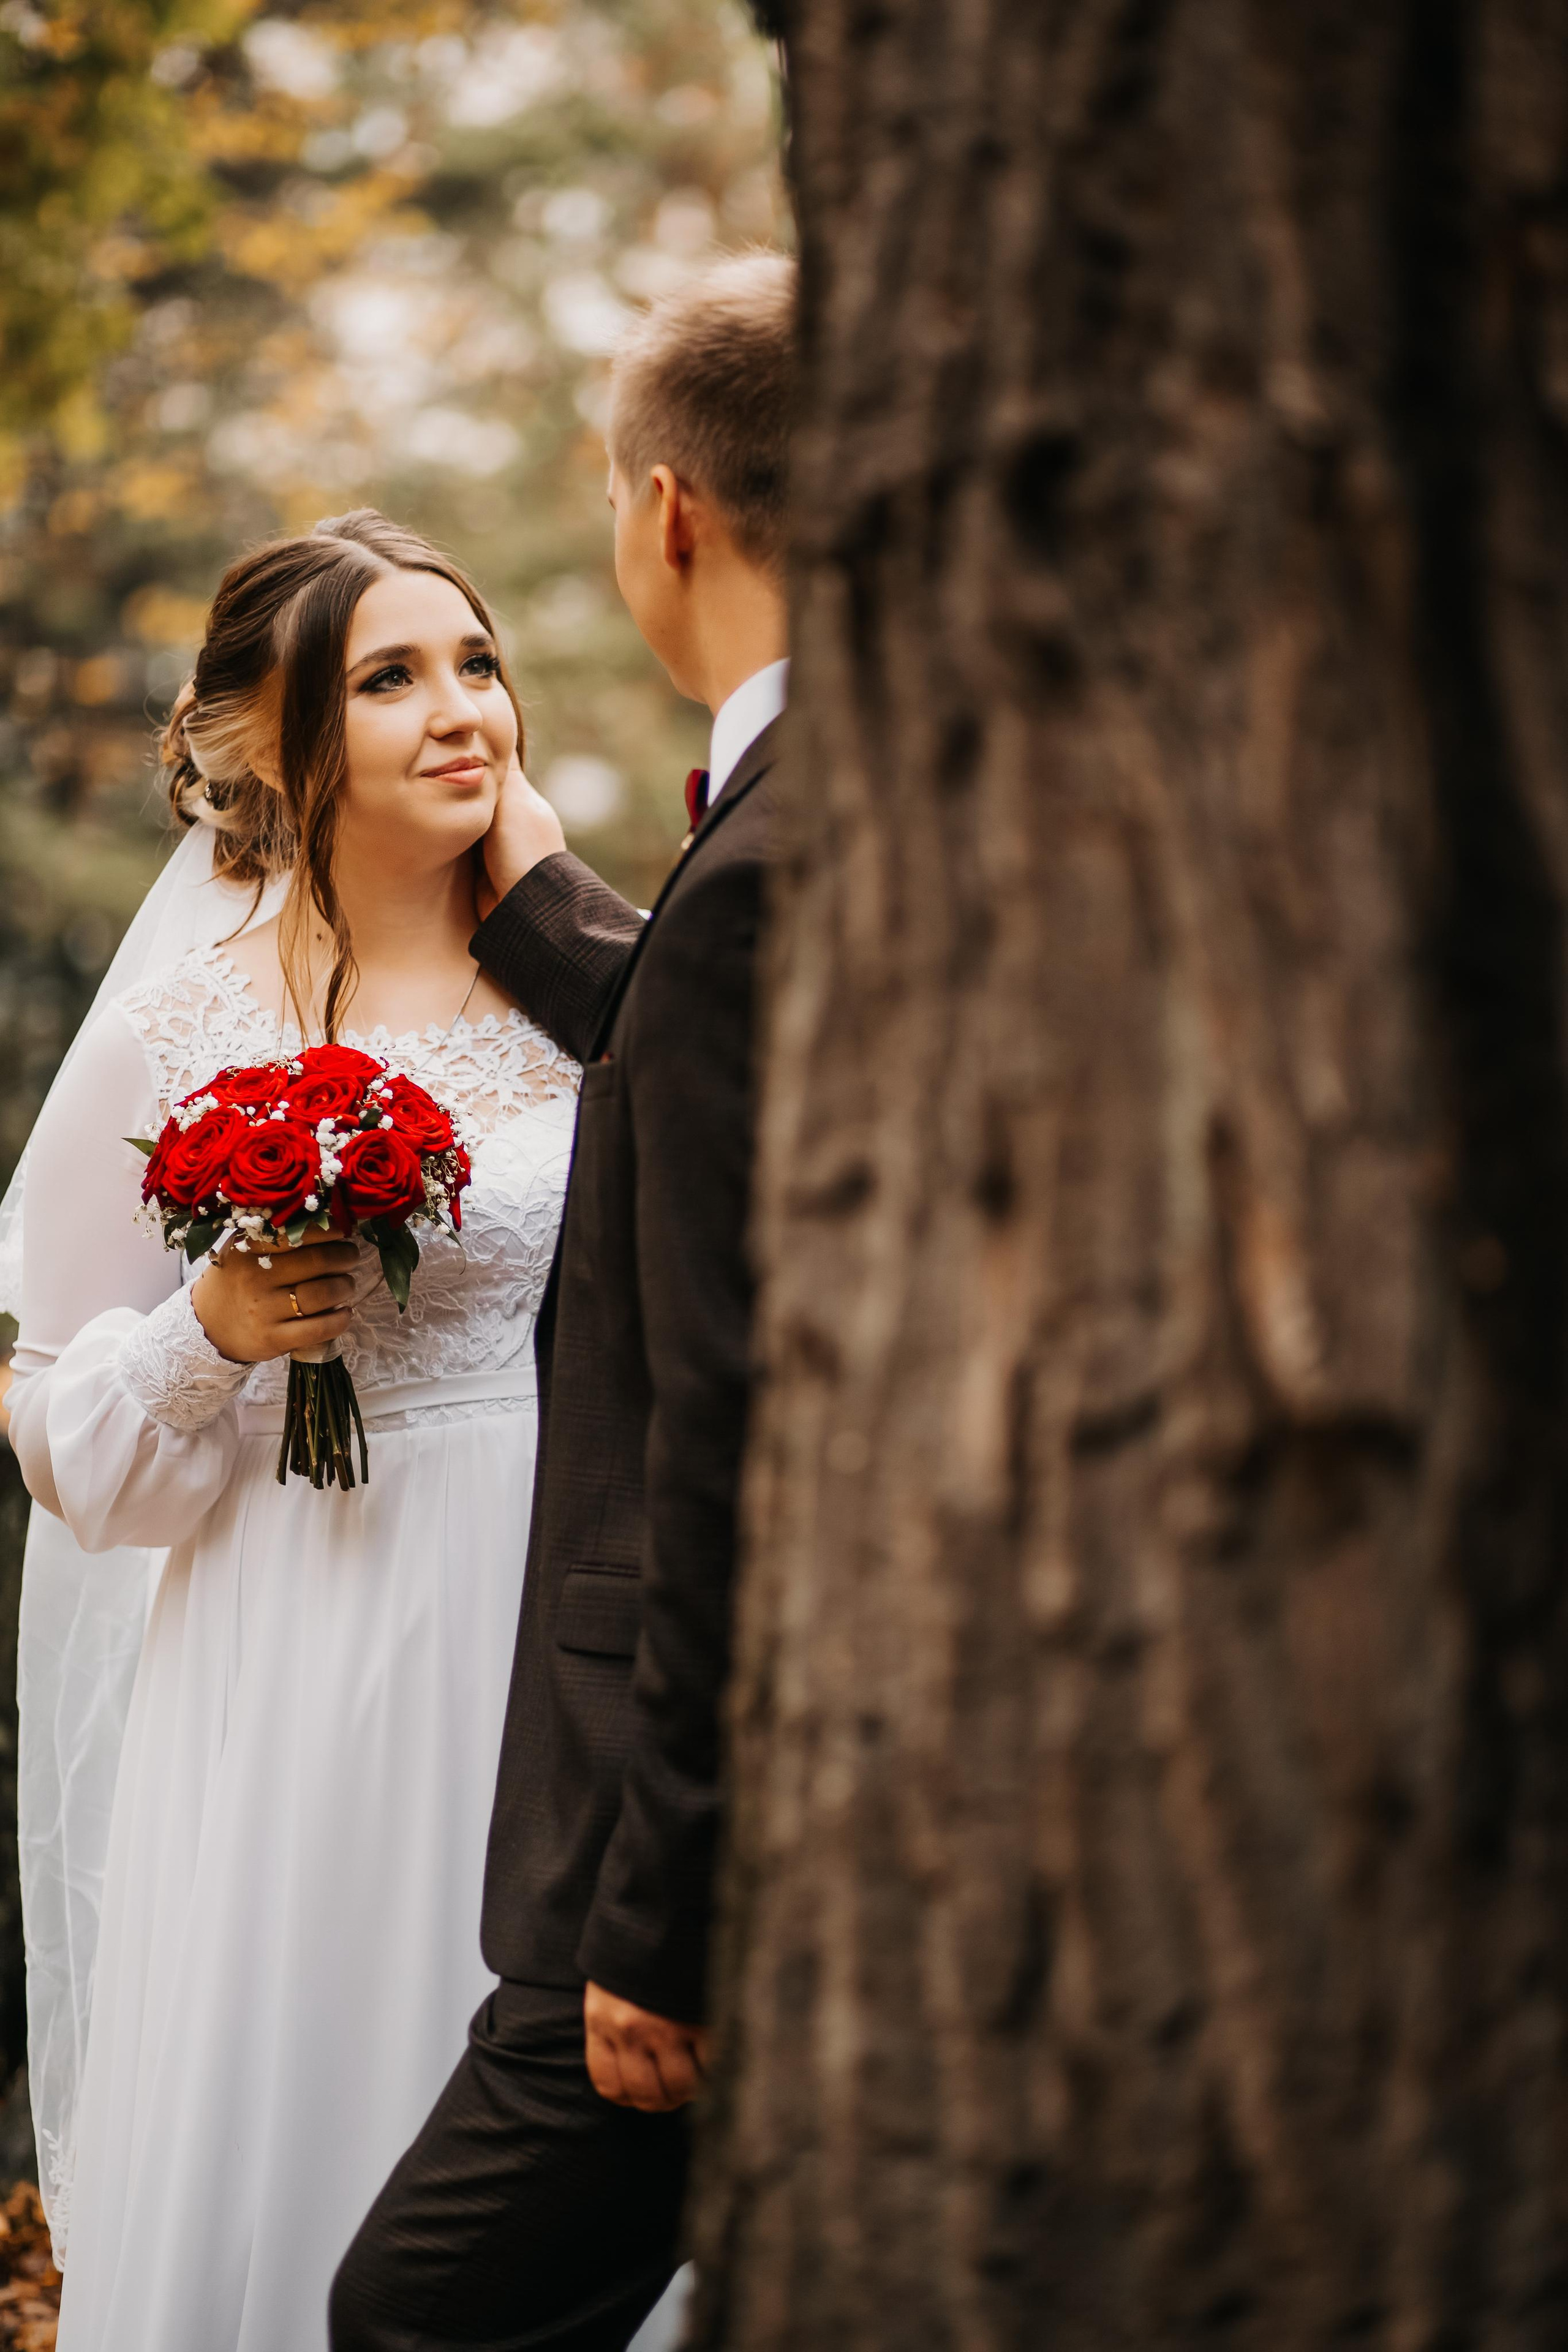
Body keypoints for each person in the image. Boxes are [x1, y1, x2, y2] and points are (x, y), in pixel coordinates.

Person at [3, 511, 581, 2351]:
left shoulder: (593, 988)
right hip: (280, 1643)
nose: (458, 711)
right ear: (277, 742)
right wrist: (211, 1331)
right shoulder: (178, 1030)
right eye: (391, 679)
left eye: (476, 663)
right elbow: (55, 1417)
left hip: (531, 1611)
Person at [330, 249, 796, 2352]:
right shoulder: (869, 808)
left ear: (667, 513)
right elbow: (717, 1063)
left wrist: (663, 1913)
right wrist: (542, 892)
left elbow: (725, 1421)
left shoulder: (775, 857)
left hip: (671, 1844)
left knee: (415, 2318)